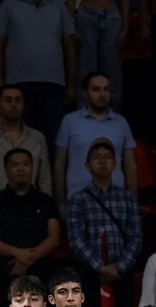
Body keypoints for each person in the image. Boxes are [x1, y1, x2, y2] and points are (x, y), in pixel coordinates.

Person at [65, 137, 142, 307]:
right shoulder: (78, 200)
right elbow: (76, 241)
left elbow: (136, 237)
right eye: (97, 157)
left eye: (107, 157)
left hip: (121, 275)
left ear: (115, 164)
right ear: (87, 165)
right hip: (91, 276)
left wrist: (118, 268)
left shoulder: (127, 198)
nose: (102, 161)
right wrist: (101, 268)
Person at [0, 147, 61, 307]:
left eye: (26, 164)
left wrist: (26, 260)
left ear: (32, 168)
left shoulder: (46, 201)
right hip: (2, 272)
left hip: (40, 270)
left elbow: (54, 239)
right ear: (6, 170)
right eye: (15, 165)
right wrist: (18, 255)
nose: (21, 169)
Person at [0, 0, 78, 157]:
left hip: (54, 86)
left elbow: (69, 46)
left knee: (53, 142)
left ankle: (49, 181)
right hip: (17, 86)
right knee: (20, 141)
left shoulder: (58, 6)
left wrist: (71, 83)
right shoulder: (8, 5)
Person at [54, 73, 137, 218]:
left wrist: (133, 202)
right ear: (85, 94)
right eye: (96, 89)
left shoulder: (121, 123)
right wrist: (60, 203)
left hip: (115, 201)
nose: (102, 94)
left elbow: (130, 166)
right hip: (78, 199)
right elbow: (59, 164)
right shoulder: (70, 121)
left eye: (106, 89)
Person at [0, 83, 53, 204]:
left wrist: (47, 208)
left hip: (31, 206)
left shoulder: (38, 138)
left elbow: (44, 180)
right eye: (8, 100)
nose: (13, 105)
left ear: (23, 105)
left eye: (18, 100)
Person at [72, 0, 127, 112]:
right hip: (86, 13)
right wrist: (71, 24)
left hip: (112, 13)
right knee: (85, 71)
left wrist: (125, 28)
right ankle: (83, 120)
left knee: (113, 72)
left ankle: (113, 120)